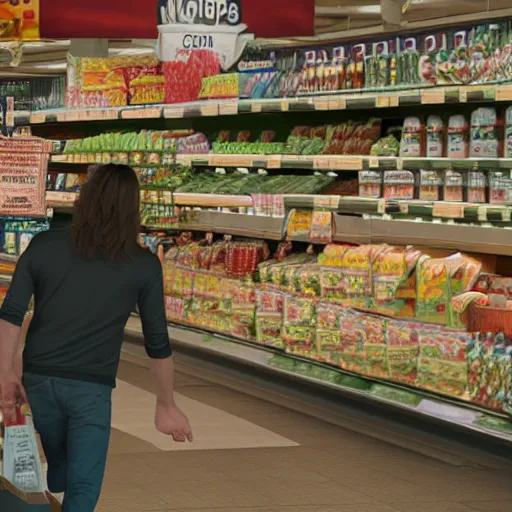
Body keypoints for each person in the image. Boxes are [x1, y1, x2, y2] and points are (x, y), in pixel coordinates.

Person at [0, 164, 192, 512]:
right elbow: (157, 341)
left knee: (59, 458)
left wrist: (6, 373)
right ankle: (62, 475)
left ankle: (58, 470)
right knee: (85, 485)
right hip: (92, 388)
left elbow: (11, 313)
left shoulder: (44, 246)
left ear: (84, 198)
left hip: (38, 378)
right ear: (133, 208)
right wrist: (166, 403)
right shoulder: (144, 265)